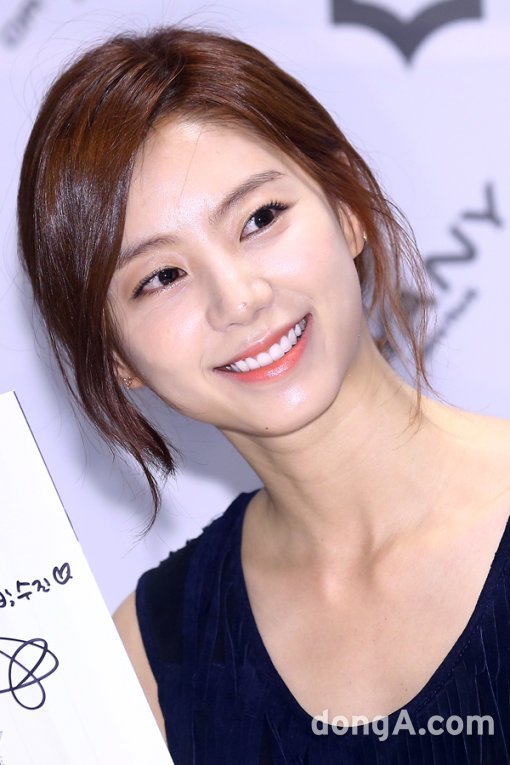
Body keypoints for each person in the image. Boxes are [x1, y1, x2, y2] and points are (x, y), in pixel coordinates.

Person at [17, 26, 510, 764]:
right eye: (161, 277)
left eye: (260, 219)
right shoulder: (150, 664)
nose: (239, 299)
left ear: (345, 207)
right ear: (118, 357)